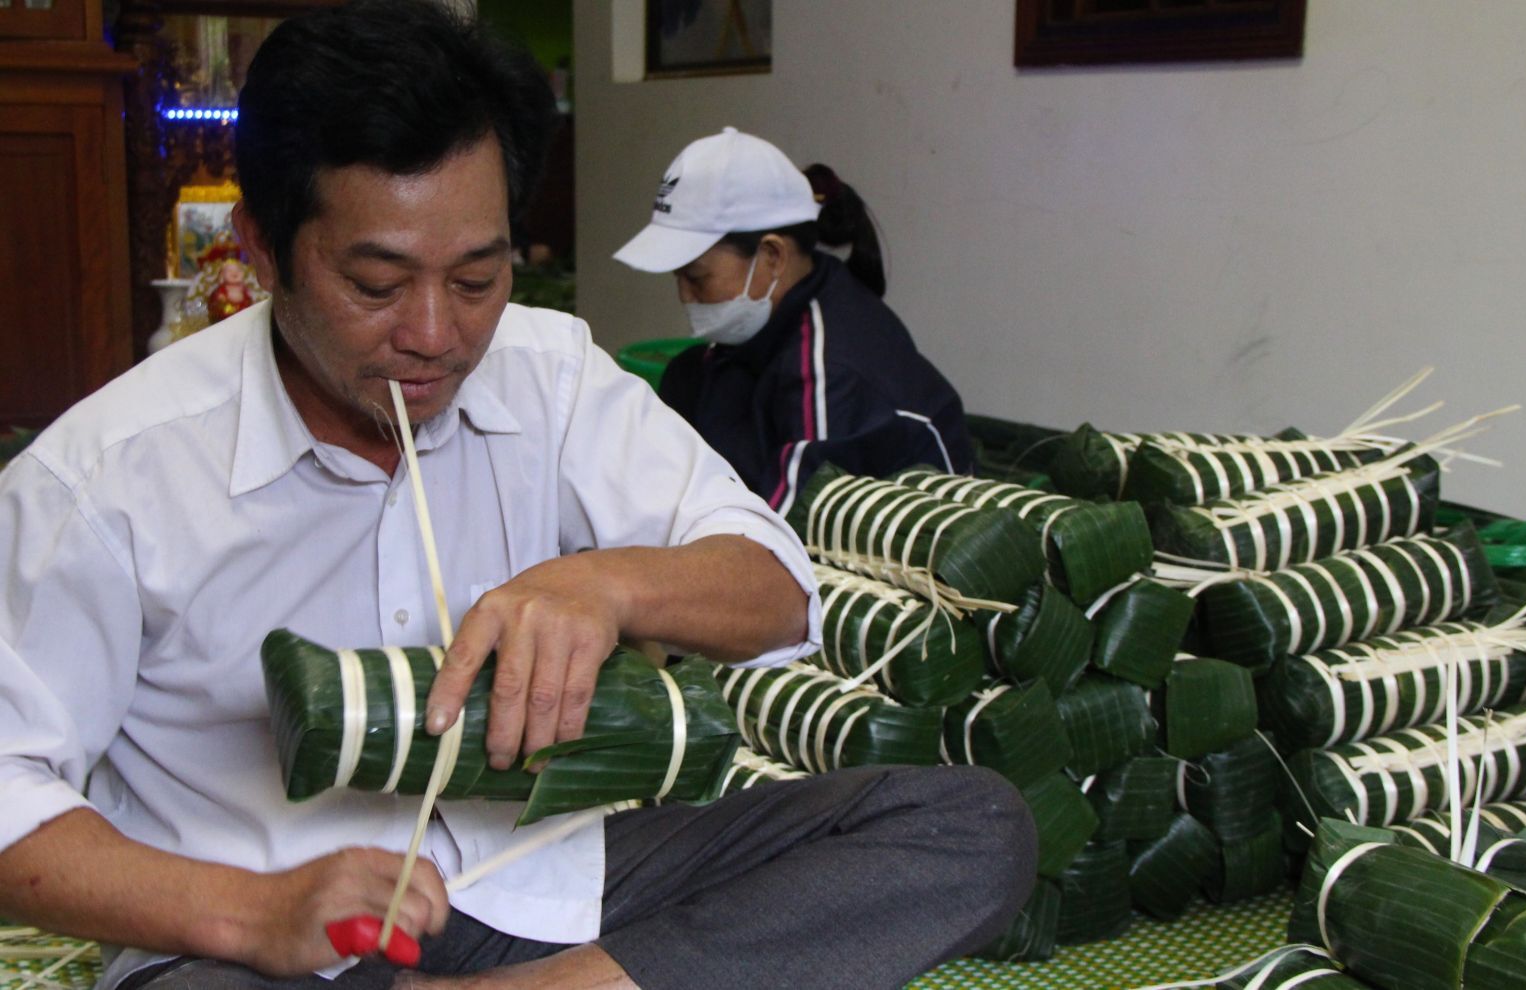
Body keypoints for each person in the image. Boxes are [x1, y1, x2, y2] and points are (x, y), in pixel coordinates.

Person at [0, 4, 1035, 990]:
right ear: (263, 245)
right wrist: (248, 911)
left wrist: (608, 586)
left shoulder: (551, 375)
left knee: (969, 826)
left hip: (542, 894)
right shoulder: (105, 475)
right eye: (376, 285)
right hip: (264, 945)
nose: (434, 336)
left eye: (476, 279)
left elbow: (776, 590)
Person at [613, 129, 975, 514]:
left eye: (697, 277)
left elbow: (780, 534)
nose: (685, 296)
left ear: (773, 256)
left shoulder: (829, 370)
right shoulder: (764, 327)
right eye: (678, 278)